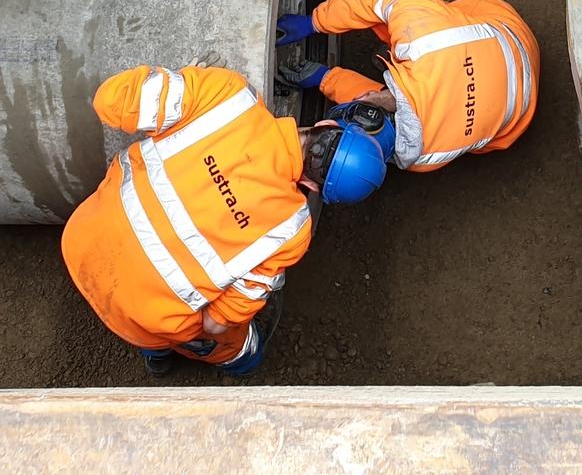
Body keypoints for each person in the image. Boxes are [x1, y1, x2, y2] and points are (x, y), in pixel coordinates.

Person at [61, 63, 385, 377]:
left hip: (83, 239)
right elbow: (216, 324)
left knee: (163, 305)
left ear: (326, 126)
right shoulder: (291, 229)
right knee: (227, 336)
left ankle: (157, 355)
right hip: (141, 316)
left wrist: (184, 83)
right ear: (315, 187)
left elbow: (110, 100)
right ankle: (231, 361)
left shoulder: (228, 94)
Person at [275, 0, 537, 172]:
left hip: (518, 98)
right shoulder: (423, 37)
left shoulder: (424, 160)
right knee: (400, 17)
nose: (364, 94)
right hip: (508, 41)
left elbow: (377, 108)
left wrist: (326, 77)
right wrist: (315, 22)